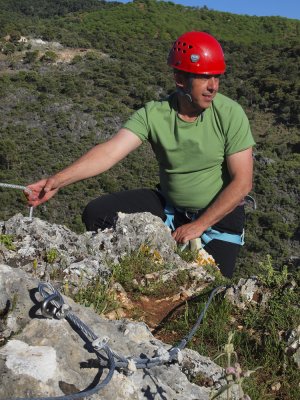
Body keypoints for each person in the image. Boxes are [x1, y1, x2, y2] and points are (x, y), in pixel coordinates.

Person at [25, 31, 255, 278]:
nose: (213, 86)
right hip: (171, 209)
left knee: (210, 291)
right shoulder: (154, 114)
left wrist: (199, 226)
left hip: (219, 219)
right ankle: (142, 272)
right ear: (179, 79)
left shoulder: (230, 113)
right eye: (203, 77)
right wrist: (57, 181)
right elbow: (109, 152)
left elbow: (242, 182)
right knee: (96, 214)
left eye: (216, 77)